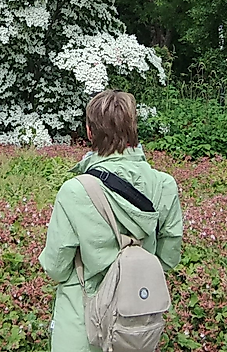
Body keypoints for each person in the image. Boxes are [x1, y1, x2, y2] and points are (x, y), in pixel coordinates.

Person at [39, 90, 184, 352]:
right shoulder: (164, 185)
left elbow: (56, 267)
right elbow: (168, 258)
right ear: (133, 128)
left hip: (81, 325)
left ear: (89, 132)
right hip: (135, 326)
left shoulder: (75, 191)